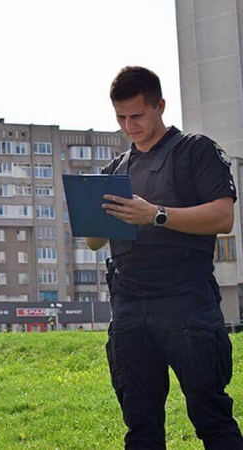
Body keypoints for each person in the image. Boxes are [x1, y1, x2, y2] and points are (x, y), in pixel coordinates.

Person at [87, 66, 243, 450]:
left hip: (185, 302)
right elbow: (93, 243)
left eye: (137, 115)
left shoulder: (197, 150)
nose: (129, 125)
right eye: (121, 117)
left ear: (160, 105)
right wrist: (91, 214)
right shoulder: (115, 171)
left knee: (212, 418)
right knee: (140, 428)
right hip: (129, 306)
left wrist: (155, 214)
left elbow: (224, 218)